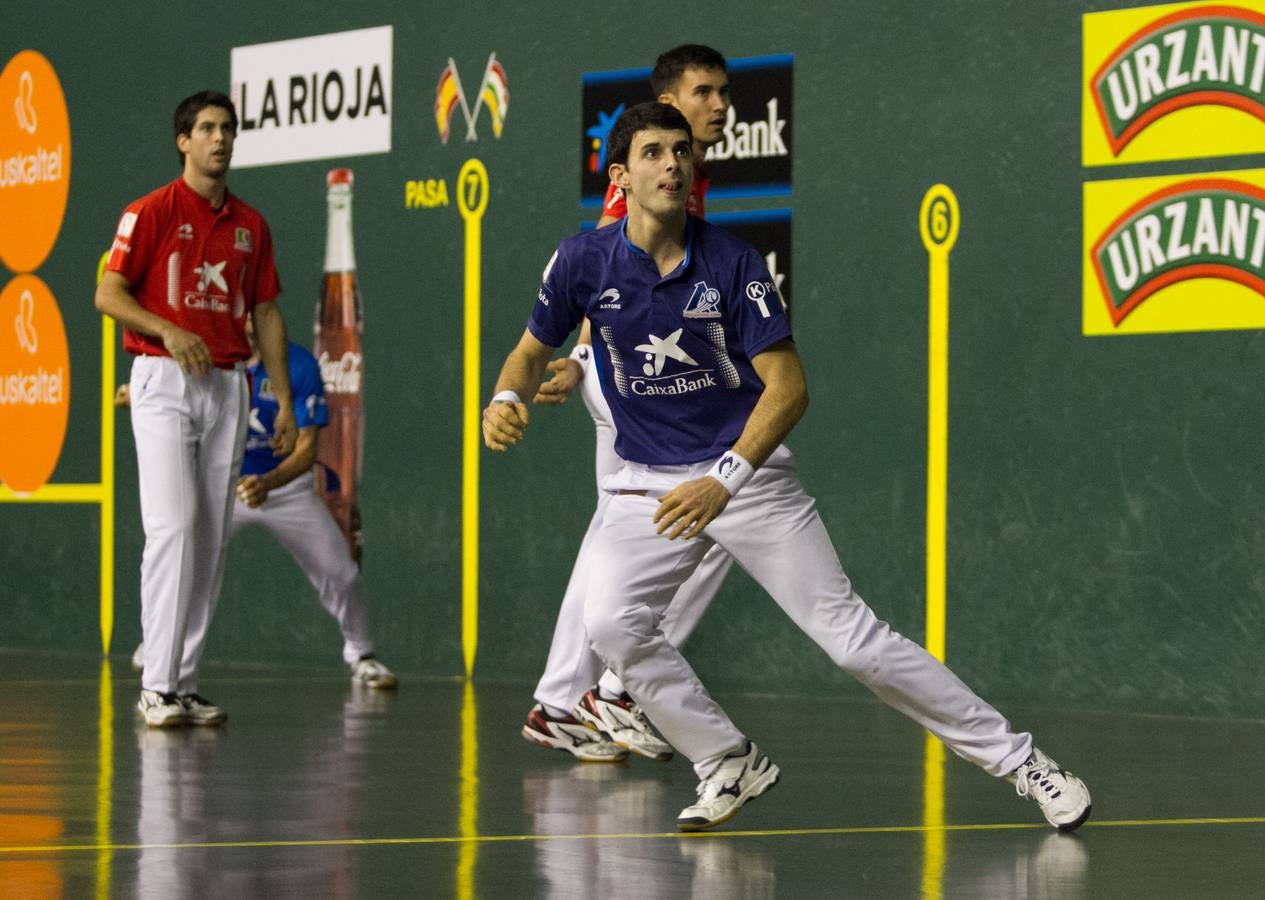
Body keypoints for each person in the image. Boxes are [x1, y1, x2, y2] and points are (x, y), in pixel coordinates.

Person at [484, 102, 1093, 833]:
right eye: (653, 152)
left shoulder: (732, 263)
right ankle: (725, 759)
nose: (673, 163)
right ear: (620, 174)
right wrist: (505, 395)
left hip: (747, 479)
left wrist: (724, 481)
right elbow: (528, 350)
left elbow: (788, 388)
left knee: (854, 644)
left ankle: (1024, 763)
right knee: (612, 624)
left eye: (681, 151)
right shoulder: (581, 261)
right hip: (641, 485)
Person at [521, 44, 737, 763]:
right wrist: (583, 358)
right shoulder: (652, 172)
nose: (719, 105)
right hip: (627, 376)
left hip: (613, 368)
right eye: (704, 92)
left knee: (619, 533)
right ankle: (613, 692)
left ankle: (561, 701)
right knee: (705, 516)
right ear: (669, 102)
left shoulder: (683, 175)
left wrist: (581, 360)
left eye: (722, 92)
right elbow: (607, 264)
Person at [96, 90, 296, 728]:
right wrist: (166, 330)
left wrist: (283, 397)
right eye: (207, 129)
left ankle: (181, 683)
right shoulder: (150, 211)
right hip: (161, 381)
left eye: (227, 129)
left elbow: (265, 310)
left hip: (228, 385)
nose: (220, 139)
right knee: (174, 527)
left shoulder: (251, 225)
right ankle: (154, 683)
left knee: (209, 540)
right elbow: (108, 292)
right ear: (184, 141)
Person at [119, 319, 398, 690]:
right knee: (184, 567)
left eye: (254, 310)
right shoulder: (210, 360)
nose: (247, 319)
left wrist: (268, 483)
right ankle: (160, 653)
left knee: (342, 573)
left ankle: (362, 654)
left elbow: (307, 448)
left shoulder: (297, 365)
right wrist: (141, 396)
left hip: (286, 489)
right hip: (223, 490)